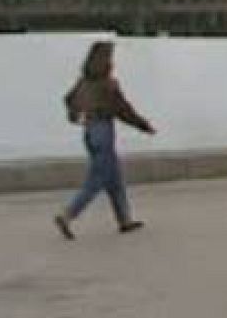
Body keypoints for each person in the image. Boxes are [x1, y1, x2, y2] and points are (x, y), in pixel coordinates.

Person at [54, 41, 156, 240]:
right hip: (103, 132)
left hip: (89, 132)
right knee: (97, 180)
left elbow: (68, 99)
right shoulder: (108, 84)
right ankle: (67, 215)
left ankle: (125, 220)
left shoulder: (83, 82)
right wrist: (144, 126)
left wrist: (75, 116)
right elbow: (123, 110)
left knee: (114, 178)